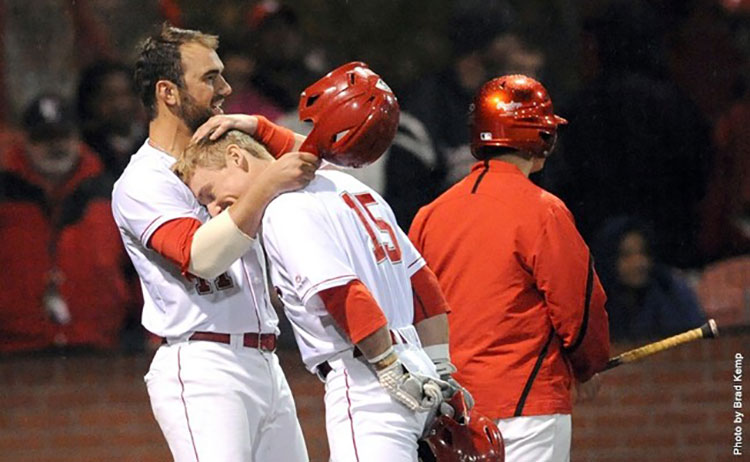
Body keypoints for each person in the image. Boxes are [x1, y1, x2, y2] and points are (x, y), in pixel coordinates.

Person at [173, 63, 469, 462]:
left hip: (369, 375)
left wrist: (385, 363)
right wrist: (441, 367)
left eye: (208, 191)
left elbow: (340, 290)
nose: (212, 208)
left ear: (236, 157)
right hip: (416, 364)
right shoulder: (349, 184)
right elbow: (424, 284)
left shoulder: (282, 209)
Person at [111, 24, 319, 462]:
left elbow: (330, 163)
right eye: (210, 78)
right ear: (168, 92)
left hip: (266, 360)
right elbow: (199, 256)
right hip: (205, 365)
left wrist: (260, 126)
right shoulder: (142, 180)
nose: (226, 88)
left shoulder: (234, 149)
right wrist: (267, 184)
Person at [408, 75, 610, 462]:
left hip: (451, 413)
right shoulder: (543, 210)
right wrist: (588, 365)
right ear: (541, 137)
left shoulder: (429, 215)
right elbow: (578, 311)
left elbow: (411, 310)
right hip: (527, 406)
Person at [0, 93, 134, 353]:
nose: (54, 146)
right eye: (43, 138)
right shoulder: (4, 194)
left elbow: (141, 270)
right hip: (13, 352)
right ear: (24, 141)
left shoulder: (111, 193)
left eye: (62, 136)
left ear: (78, 138)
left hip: (101, 350)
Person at [591, 216, 706, 342]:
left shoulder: (671, 292)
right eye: (626, 255)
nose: (639, 263)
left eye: (643, 252)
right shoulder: (594, 304)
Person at [77, 60, 148, 178]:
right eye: (109, 97)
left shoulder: (154, 142)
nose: (120, 105)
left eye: (126, 94)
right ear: (91, 102)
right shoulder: (84, 149)